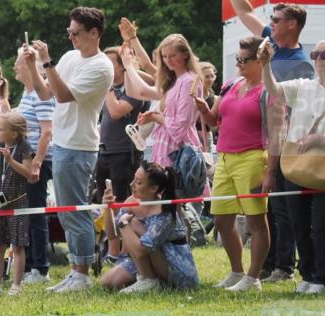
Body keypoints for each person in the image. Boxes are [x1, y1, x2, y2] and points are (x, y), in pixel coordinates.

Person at [218, 0, 312, 283]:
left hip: (285, 143)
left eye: (276, 19)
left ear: (292, 25)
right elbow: (243, 10)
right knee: (269, 208)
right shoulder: (267, 44)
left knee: (285, 210)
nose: (269, 23)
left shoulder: (302, 63)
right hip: (261, 143)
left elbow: (303, 108)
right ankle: (271, 264)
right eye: (270, 19)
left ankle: (285, 267)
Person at [23, 7, 115, 292]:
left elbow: (63, 96)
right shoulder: (70, 58)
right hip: (62, 143)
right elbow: (46, 92)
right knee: (65, 213)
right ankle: (76, 270)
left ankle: (83, 273)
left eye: (76, 33)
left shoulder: (101, 66)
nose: (71, 37)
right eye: (69, 32)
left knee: (75, 212)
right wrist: (33, 67)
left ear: (94, 33)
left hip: (79, 146)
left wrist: (47, 61)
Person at [195, 37, 273, 292]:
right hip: (225, 158)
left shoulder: (268, 91)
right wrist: (202, 108)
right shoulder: (230, 84)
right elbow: (214, 119)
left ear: (260, 61)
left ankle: (253, 278)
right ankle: (236, 271)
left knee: (256, 221)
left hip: (253, 158)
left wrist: (270, 172)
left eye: (244, 60)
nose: (238, 63)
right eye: (237, 59)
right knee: (221, 219)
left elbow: (277, 133)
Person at [261, 38, 325, 294]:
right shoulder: (304, 86)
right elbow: (274, 89)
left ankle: (324, 278)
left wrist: (320, 137)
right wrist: (266, 65)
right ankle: (309, 274)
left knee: (322, 226)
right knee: (298, 223)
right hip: (296, 164)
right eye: (313, 54)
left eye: (321, 55)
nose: (316, 59)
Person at [99, 162, 199, 293]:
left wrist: (124, 225)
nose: (132, 185)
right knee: (108, 282)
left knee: (132, 224)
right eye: (134, 179)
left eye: (138, 182)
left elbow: (142, 250)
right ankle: (149, 280)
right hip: (146, 259)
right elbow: (112, 235)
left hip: (175, 268)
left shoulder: (165, 213)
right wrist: (108, 208)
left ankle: (148, 280)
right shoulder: (131, 201)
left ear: (153, 188)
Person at [121, 34, 205, 175]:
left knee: (176, 191)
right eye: (164, 56)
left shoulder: (188, 81)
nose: (168, 60)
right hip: (166, 146)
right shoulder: (175, 80)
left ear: (185, 54)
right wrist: (128, 59)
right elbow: (135, 92)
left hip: (178, 149)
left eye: (172, 55)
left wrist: (128, 64)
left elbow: (180, 125)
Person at [94, 47, 149, 261]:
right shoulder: (111, 89)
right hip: (105, 152)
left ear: (122, 66)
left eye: (110, 63)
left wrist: (107, 85)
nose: (105, 68)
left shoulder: (132, 88)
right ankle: (112, 250)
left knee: (122, 203)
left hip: (125, 153)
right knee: (106, 204)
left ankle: (124, 251)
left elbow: (117, 111)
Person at [15, 49, 55, 285]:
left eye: (19, 63)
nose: (16, 68)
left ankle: (40, 267)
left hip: (40, 161)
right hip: (25, 160)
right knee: (27, 214)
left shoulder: (41, 95)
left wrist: (37, 164)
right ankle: (30, 264)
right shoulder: (26, 94)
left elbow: (47, 131)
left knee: (36, 213)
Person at [0, 112, 33, 297]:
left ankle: (16, 285)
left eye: (1, 129)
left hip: (18, 202)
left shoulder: (24, 148)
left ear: (14, 134)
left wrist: (10, 160)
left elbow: (28, 173)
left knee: (18, 245)